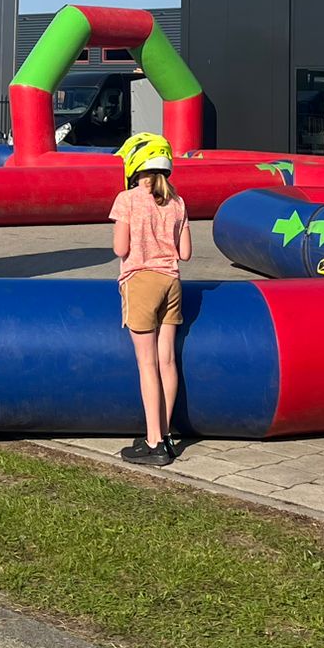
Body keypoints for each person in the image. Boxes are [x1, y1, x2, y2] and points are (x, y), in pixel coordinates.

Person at [111, 132, 191, 466]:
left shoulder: (127, 199)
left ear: (134, 165)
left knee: (146, 365)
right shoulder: (178, 202)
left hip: (141, 282)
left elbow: (120, 249)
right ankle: (166, 434)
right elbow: (185, 253)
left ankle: (155, 443)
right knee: (167, 361)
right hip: (171, 282)